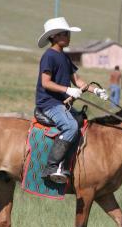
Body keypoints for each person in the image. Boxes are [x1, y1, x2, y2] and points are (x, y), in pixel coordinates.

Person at [35, 17, 108, 183]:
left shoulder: (65, 57)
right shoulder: (49, 56)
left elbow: (78, 81)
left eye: (68, 33)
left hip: (62, 104)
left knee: (83, 122)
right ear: (53, 37)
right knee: (70, 126)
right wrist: (67, 90)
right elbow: (45, 83)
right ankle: (52, 167)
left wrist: (95, 90)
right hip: (49, 104)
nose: (68, 36)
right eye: (64, 33)